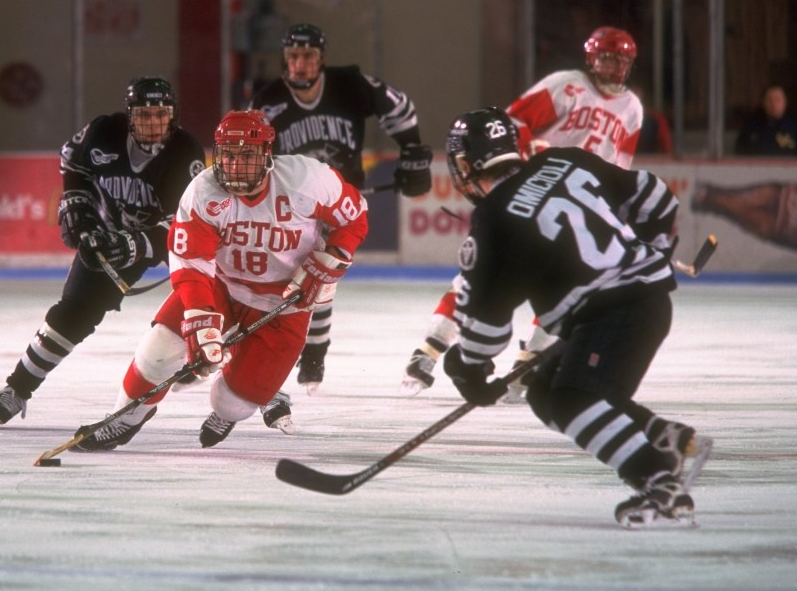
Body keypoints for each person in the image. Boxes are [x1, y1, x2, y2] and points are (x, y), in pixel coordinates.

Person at [439, 106, 708, 527]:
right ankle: (666, 438)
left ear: (464, 164)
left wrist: (468, 370)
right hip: (639, 304)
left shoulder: (492, 219)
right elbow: (656, 195)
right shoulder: (562, 159)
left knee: (574, 399)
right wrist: (652, 246)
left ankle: (658, 481)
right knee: (546, 389)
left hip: (614, 313)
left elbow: (487, 328)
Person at [73, 109, 369, 450]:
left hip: (283, 303)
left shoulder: (308, 180)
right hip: (221, 287)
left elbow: (355, 218)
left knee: (231, 403)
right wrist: (201, 320)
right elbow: (191, 266)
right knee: (156, 352)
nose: (235, 165)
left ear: (267, 154)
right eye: (228, 154)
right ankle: (123, 420)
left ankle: (227, 410)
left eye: (246, 154)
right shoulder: (203, 191)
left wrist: (331, 258)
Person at [400, 26, 644, 398]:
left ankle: (528, 363)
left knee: (566, 283)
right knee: (487, 272)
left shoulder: (632, 109)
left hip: (573, 204)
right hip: (533, 194)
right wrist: (535, 150)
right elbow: (508, 124)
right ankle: (430, 349)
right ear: (591, 59)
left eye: (621, 61)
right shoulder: (567, 85)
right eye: (607, 59)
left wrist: (612, 208)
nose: (613, 68)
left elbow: (621, 166)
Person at [0, 77, 206, 427]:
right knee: (75, 311)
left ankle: (252, 382)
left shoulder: (185, 153)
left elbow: (183, 226)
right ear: (130, 115)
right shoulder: (103, 131)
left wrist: (135, 245)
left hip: (170, 245)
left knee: (209, 305)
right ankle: (18, 389)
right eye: (144, 114)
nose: (152, 123)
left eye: (160, 115)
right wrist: (77, 204)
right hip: (107, 232)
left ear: (173, 116)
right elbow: (72, 162)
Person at [249, 23, 432, 394]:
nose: (300, 65)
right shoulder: (267, 100)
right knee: (299, 272)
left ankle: (314, 349)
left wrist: (411, 148)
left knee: (324, 265)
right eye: (293, 57)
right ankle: (307, 349)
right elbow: (253, 151)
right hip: (293, 202)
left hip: (340, 200)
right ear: (285, 59)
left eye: (308, 57)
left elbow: (400, 108)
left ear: (322, 59)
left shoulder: (349, 84)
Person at [692, 181, 797, 250]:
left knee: (763, 225)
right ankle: (709, 196)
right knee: (763, 198)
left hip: (785, 228)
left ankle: (708, 198)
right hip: (786, 198)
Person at [734, 84, 797, 156]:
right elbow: (739, 156)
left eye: (778, 100)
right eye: (769, 100)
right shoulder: (751, 128)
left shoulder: (794, 128)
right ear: (763, 102)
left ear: (785, 102)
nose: (773, 104)